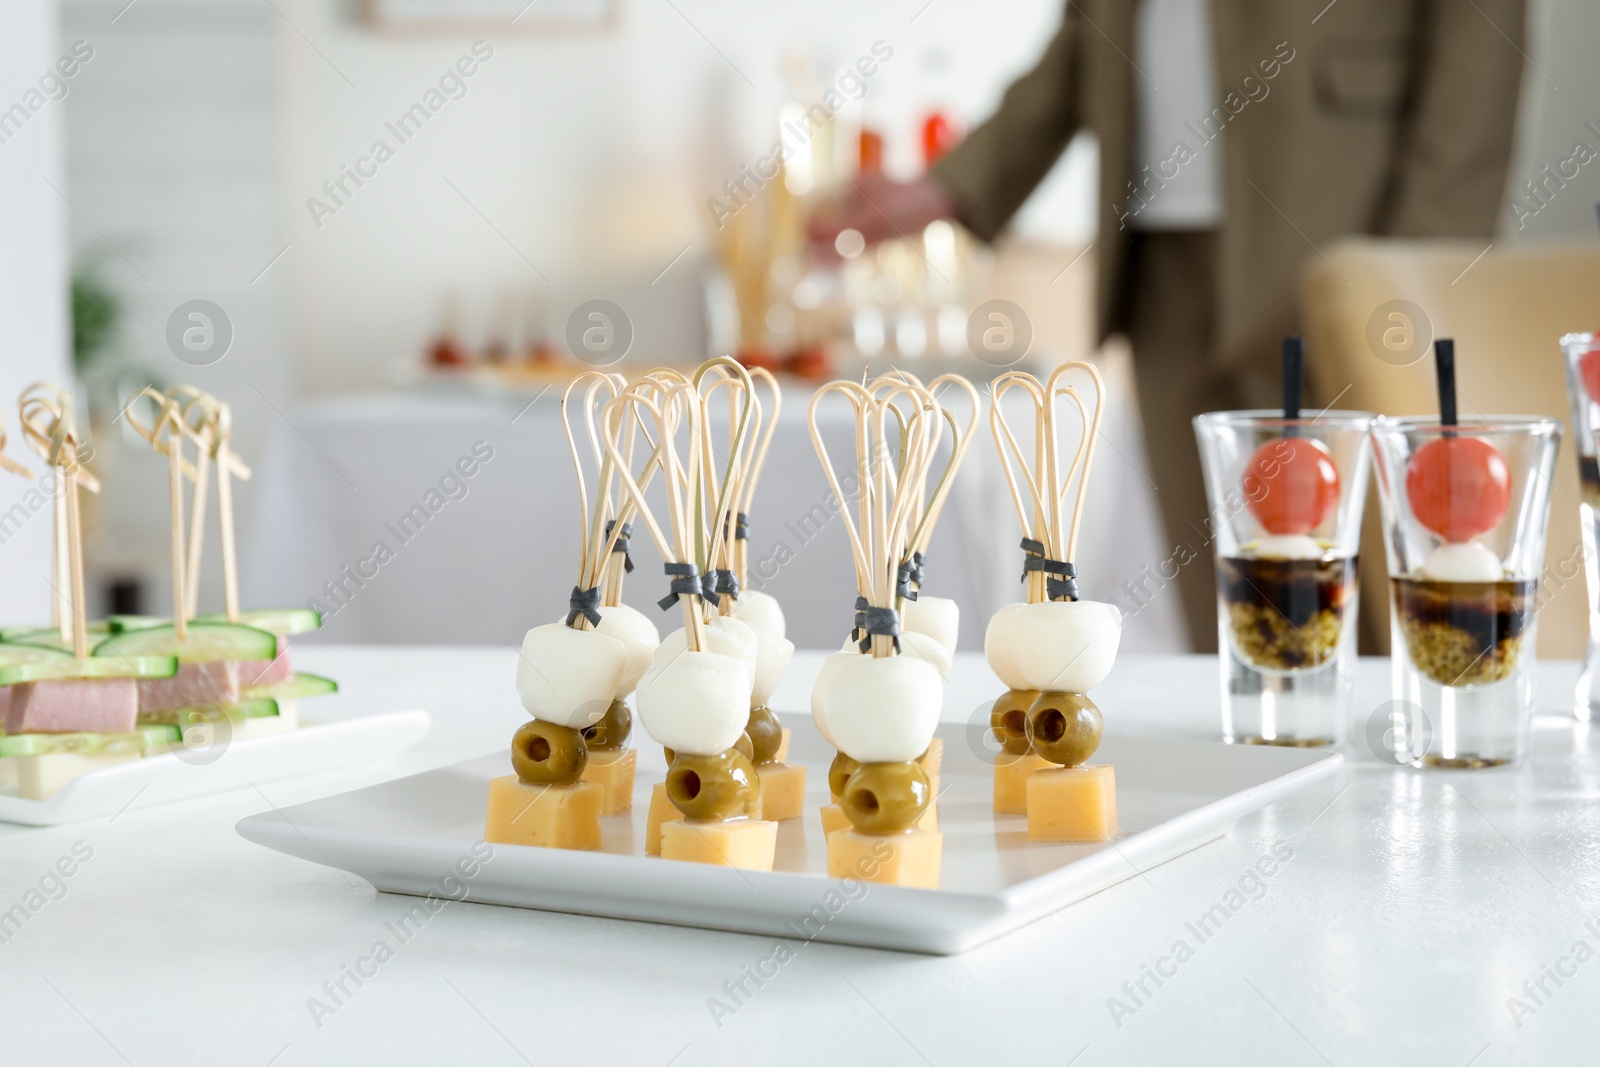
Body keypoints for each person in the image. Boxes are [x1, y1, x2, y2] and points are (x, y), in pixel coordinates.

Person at [811, 0, 1527, 650]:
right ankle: (1252, 784)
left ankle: (1389, 790)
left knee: (1365, 595)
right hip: (1159, 260)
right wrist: (955, 182)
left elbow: (1479, 37)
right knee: (1228, 606)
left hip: (1337, 236)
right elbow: (1088, 36)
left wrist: (1422, 261)